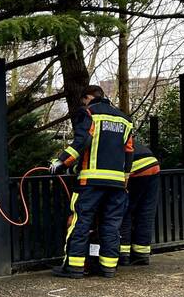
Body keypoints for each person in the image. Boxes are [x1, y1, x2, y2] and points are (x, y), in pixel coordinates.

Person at [50, 85, 134, 279]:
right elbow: (129, 152)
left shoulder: (89, 113)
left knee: (81, 221)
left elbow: (81, 141)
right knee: (111, 224)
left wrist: (61, 162)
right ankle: (108, 268)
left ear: (89, 97)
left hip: (91, 182)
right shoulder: (124, 119)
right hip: (117, 183)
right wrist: (125, 178)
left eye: (83, 99)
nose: (83, 103)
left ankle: (74, 267)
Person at [119, 140, 160, 266]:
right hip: (153, 164)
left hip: (134, 167)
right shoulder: (123, 135)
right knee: (146, 210)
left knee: (124, 210)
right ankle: (141, 254)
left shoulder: (104, 141)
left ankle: (123, 254)